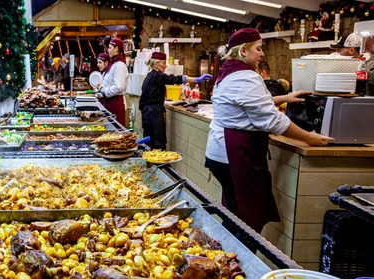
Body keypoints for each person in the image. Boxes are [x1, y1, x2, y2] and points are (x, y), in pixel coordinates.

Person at [204, 28, 334, 233]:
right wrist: (309, 137)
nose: (262, 53)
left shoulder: (230, 72)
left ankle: (224, 258)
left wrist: (284, 98)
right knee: (248, 221)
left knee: (235, 215)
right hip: (235, 154)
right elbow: (272, 121)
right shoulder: (245, 77)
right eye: (259, 48)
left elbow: (247, 103)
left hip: (221, 153)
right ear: (244, 51)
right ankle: (238, 262)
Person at [139, 52, 212, 150]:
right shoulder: (157, 76)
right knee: (158, 144)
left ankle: (150, 163)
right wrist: (196, 79)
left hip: (149, 113)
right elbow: (174, 79)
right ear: (156, 64)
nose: (165, 66)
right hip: (153, 113)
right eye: (164, 63)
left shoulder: (151, 75)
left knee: (150, 142)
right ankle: (158, 164)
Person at [97, 38, 129, 126]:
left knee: (116, 133)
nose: (108, 50)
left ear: (116, 49)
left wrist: (103, 90)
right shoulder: (114, 64)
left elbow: (119, 87)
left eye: (110, 48)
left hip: (116, 104)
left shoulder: (119, 65)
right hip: (110, 103)